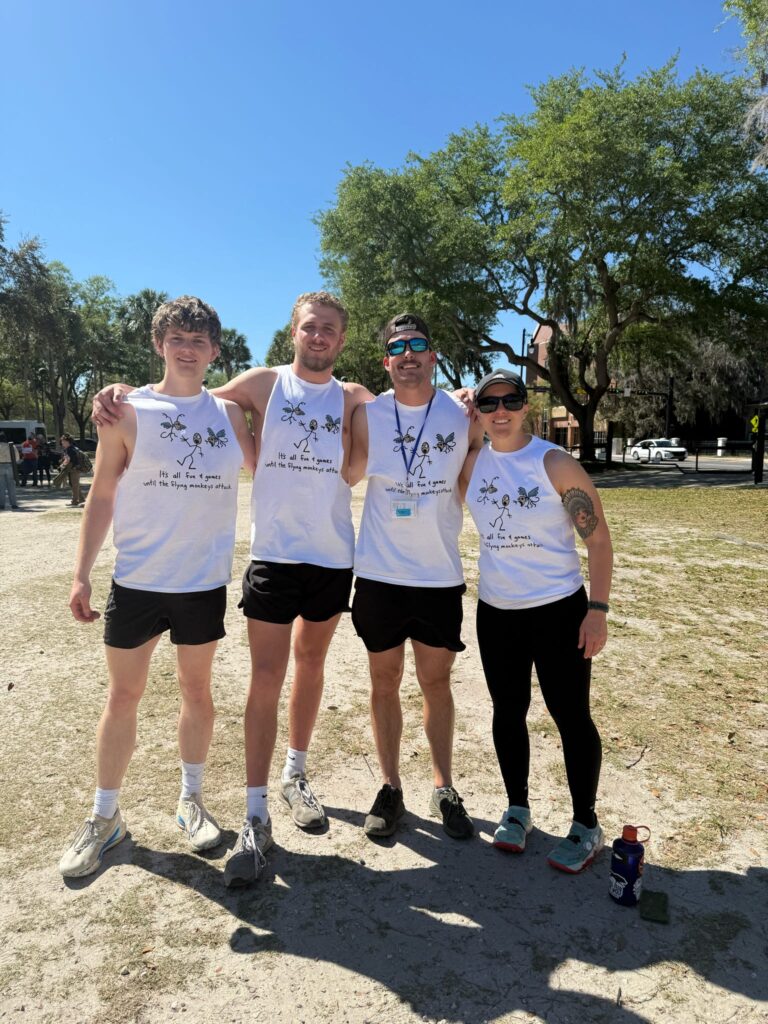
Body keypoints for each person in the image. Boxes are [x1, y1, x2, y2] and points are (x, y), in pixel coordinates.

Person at [91, 291, 373, 888]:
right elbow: (182, 400)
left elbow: (411, 409)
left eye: (329, 330)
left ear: (341, 340)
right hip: (270, 555)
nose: (318, 337)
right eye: (308, 328)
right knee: (264, 677)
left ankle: (296, 776)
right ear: (292, 333)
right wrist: (120, 391)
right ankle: (254, 810)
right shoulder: (261, 384)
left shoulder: (353, 398)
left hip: (330, 556)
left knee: (311, 665)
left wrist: (465, 403)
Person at [59, 296, 255, 878]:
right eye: (177, 338)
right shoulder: (125, 411)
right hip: (138, 580)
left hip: (201, 583)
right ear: (159, 345)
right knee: (123, 696)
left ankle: (191, 801)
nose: (188, 348)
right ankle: (106, 818)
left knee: (197, 693)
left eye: (199, 339)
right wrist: (80, 573)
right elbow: (101, 496)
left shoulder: (230, 415)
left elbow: (280, 456)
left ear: (215, 351)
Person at [458, 369, 613, 873]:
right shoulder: (470, 464)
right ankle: (517, 809)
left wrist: (597, 612)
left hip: (558, 609)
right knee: (508, 710)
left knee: (570, 716)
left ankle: (586, 824)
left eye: (511, 400)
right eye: (489, 402)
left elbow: (598, 540)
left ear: (527, 406)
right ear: (478, 410)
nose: (500, 411)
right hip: (497, 612)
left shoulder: (554, 462)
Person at [348, 313, 483, 840]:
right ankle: (390, 787)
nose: (408, 354)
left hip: (437, 576)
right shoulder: (366, 415)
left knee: (436, 683)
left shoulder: (461, 412)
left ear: (433, 356)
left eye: (418, 345)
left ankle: (444, 785)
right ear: (386, 360)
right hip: (379, 575)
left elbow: (482, 462)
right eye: (397, 347)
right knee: (384, 683)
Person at [59, 434, 85, 506]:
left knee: (74, 485)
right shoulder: (72, 448)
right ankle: (81, 499)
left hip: (74, 469)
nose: (62, 443)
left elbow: (68, 459)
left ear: (67, 442)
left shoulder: (69, 449)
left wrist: (63, 465)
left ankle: (74, 501)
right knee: (75, 484)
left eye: (63, 441)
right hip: (75, 468)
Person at [0, 432, 20, 509]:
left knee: (1, 487)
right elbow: (17, 458)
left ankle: (1, 505)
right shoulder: (11, 446)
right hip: (10, 466)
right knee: (11, 486)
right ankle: (13, 504)